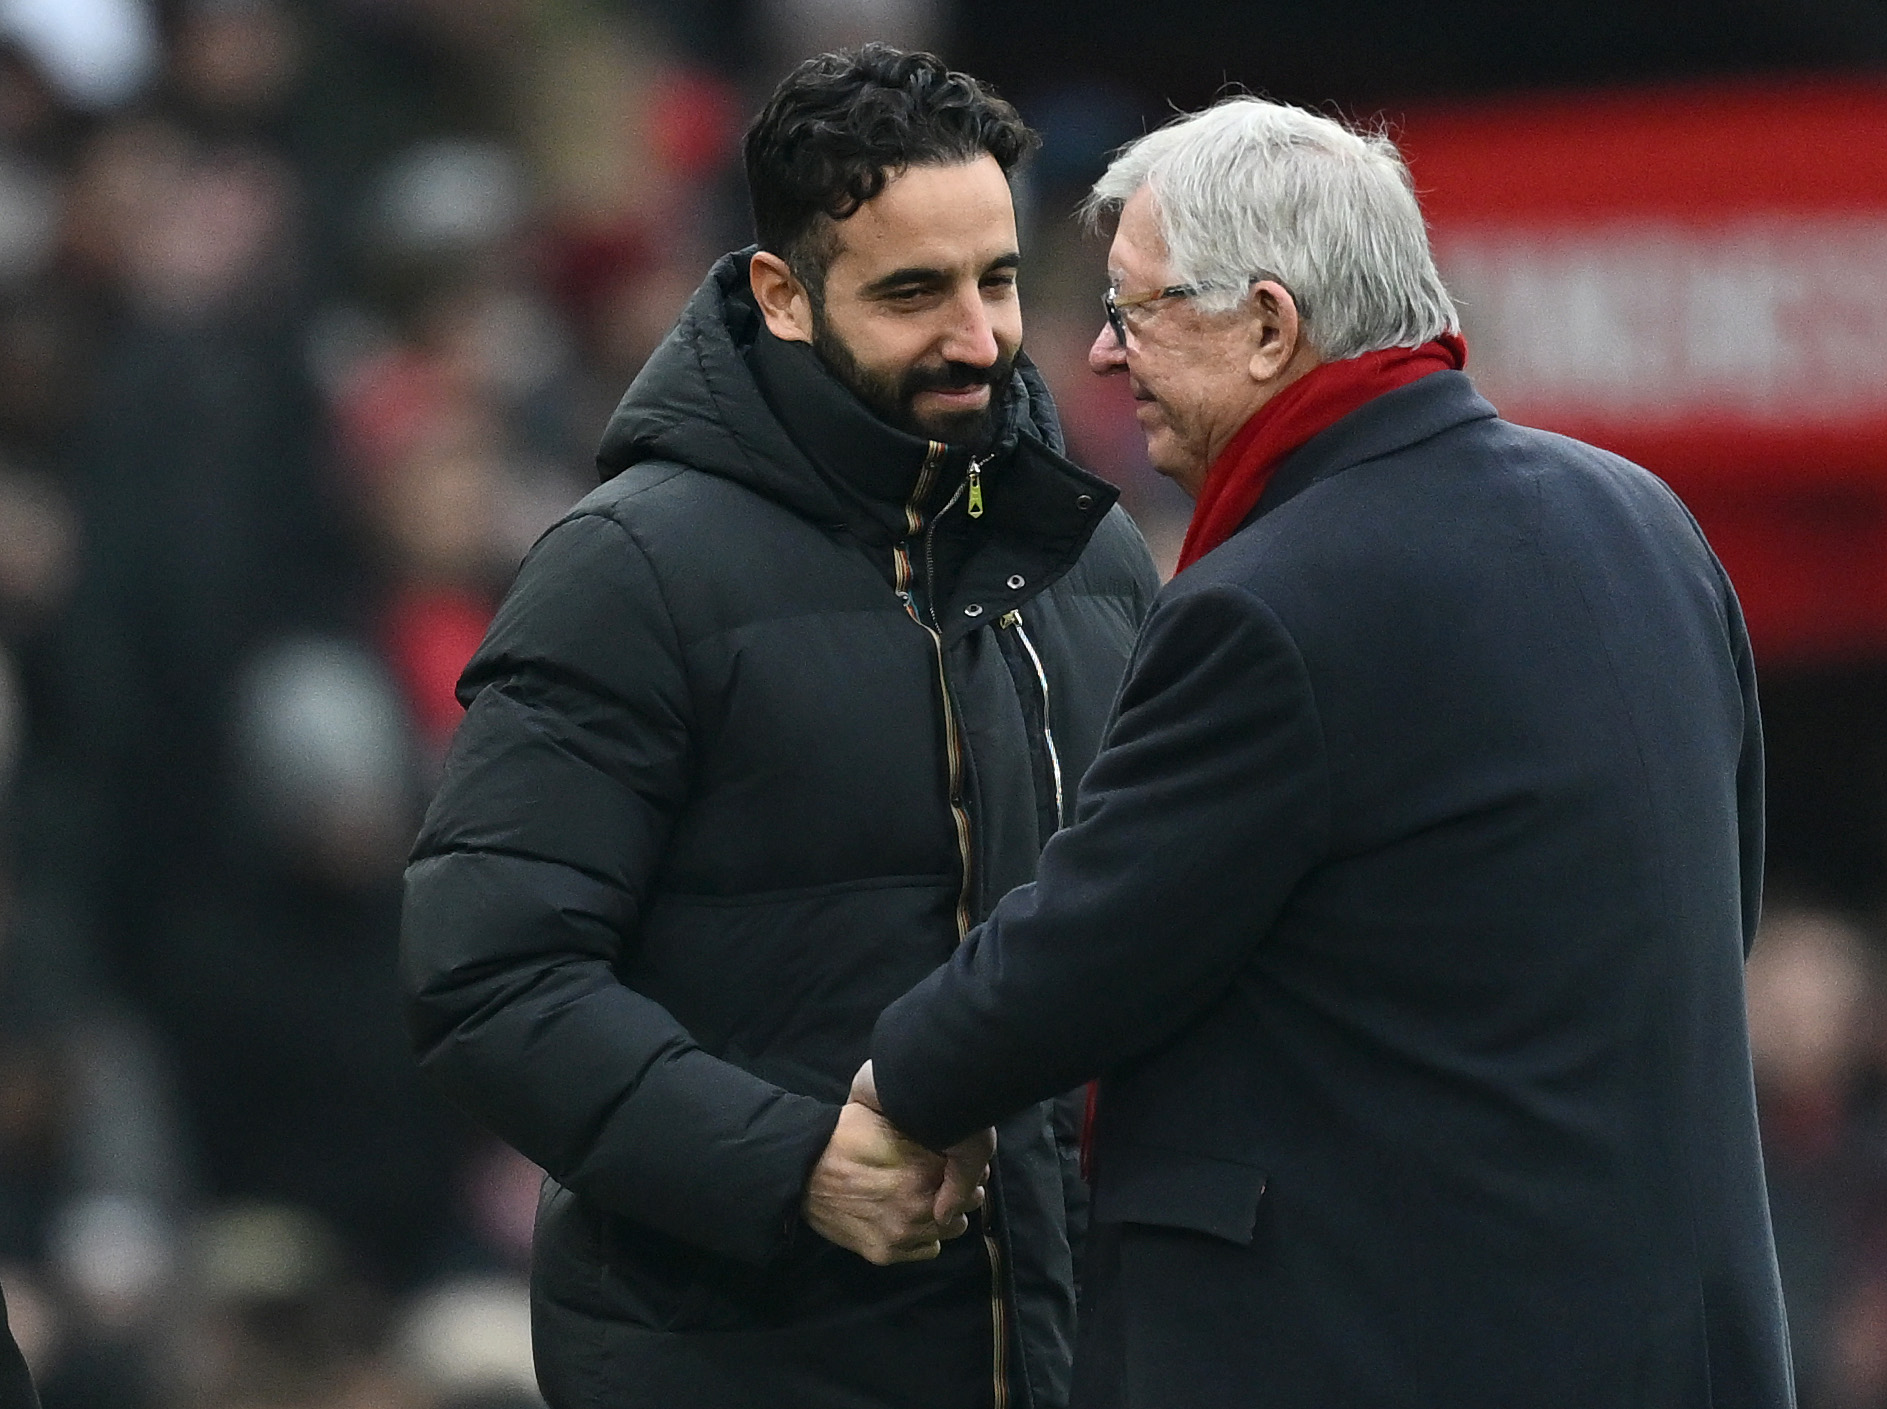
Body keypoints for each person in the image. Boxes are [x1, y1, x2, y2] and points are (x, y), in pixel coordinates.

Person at [857, 98, 1795, 1408]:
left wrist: (894, 1083)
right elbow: (1718, 905)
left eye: (1133, 311)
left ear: (1265, 326)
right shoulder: (1643, 518)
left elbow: (1091, 947)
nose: (1101, 353)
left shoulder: (1270, 600)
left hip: (1390, 1344)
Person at [399, 45, 1159, 1409]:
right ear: (780, 294)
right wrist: (787, 1159)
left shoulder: (1094, 559)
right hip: (738, 1359)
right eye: (912, 292)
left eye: (994, 279)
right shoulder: (628, 572)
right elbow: (486, 974)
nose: (978, 337)